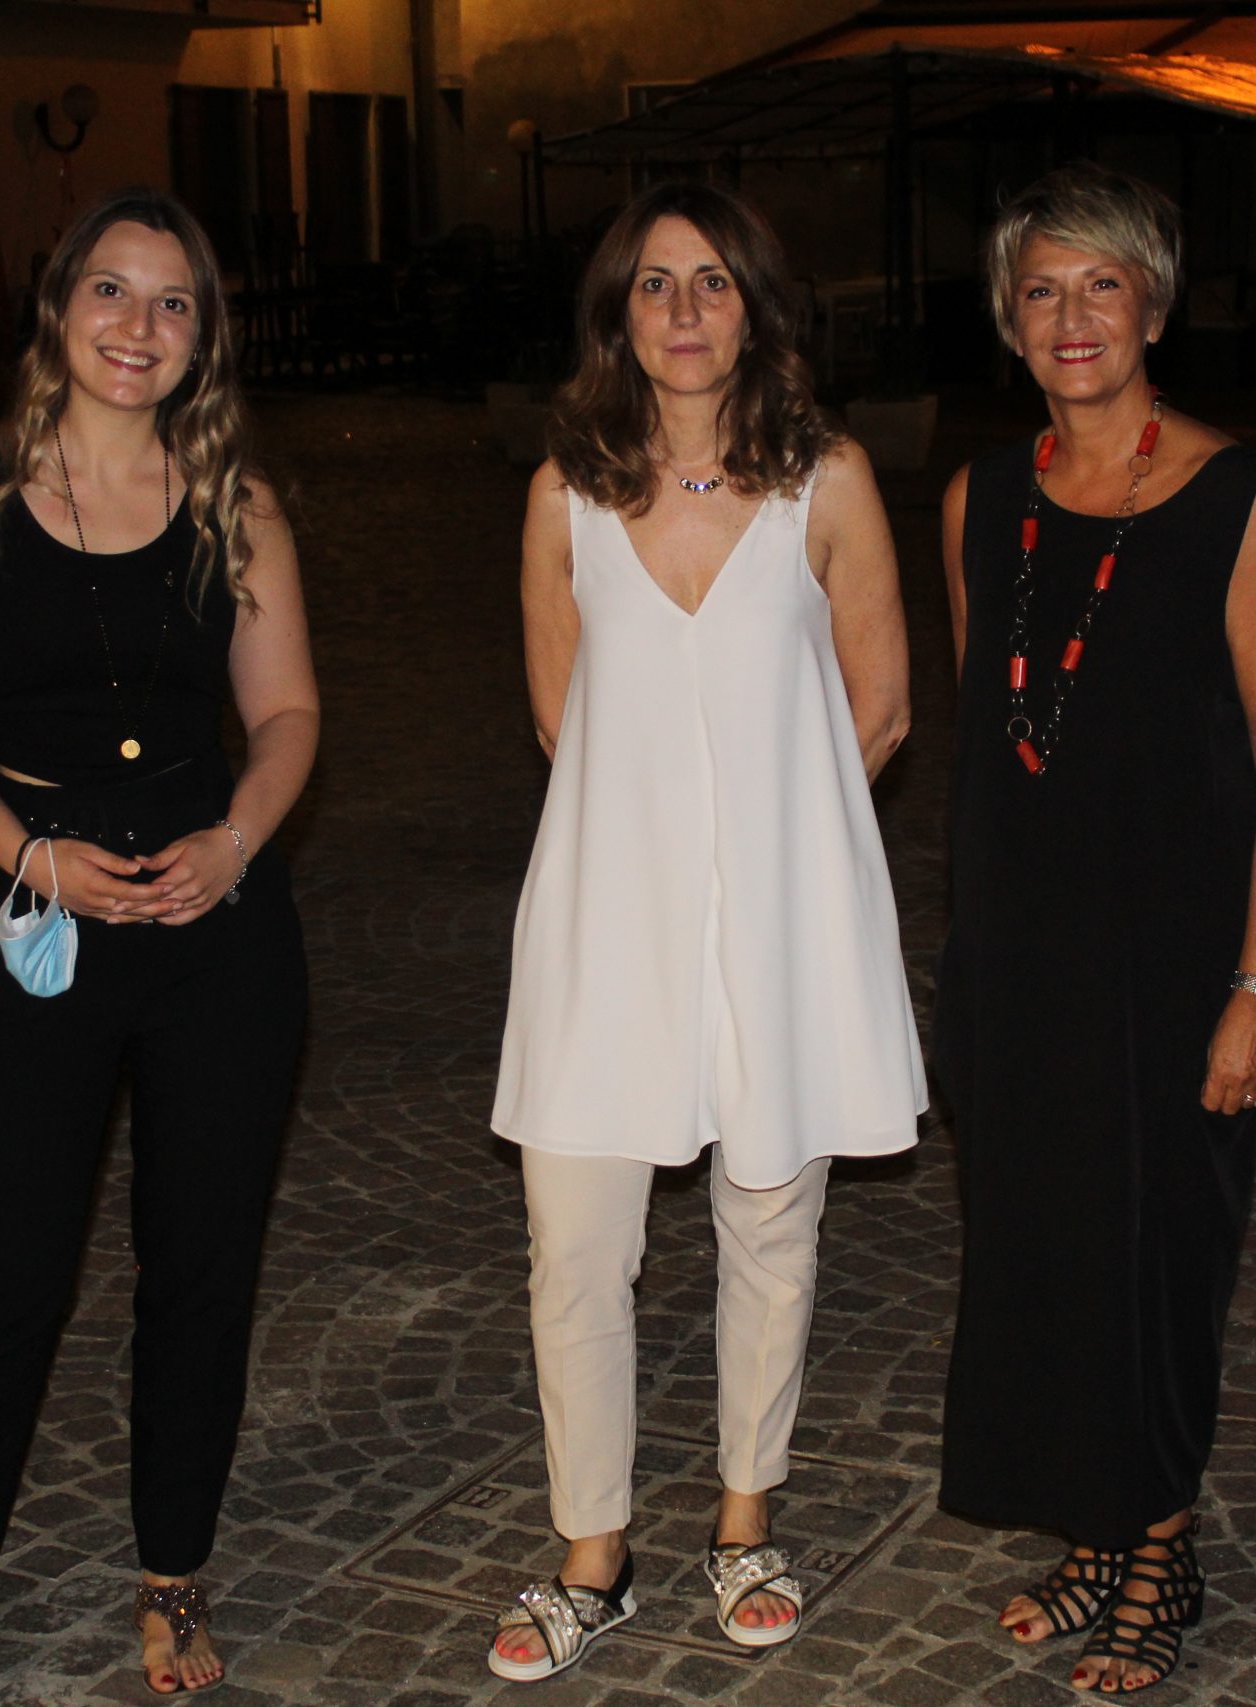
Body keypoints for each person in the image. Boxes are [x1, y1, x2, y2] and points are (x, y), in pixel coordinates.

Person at [0, 187, 317, 1706]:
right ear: (58, 309)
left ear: (203, 336)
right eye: (112, 291)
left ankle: (173, 1575)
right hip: (36, 912)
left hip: (212, 927)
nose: (138, 327)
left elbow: (288, 711)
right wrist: (30, 855)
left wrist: (234, 841)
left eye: (173, 303)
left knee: (200, 1268)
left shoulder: (235, 501)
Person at [484, 181, 926, 1681]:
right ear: (619, 313)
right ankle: (592, 1554)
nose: (684, 310)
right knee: (575, 1243)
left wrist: (777, 846)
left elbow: (880, 706)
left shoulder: (829, 480)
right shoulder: (563, 493)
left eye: (713, 282)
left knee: (771, 1229)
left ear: (757, 308)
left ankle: (745, 1522)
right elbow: (562, 716)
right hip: (609, 915)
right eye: (656, 283)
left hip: (782, 920)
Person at [934, 162, 1256, 1695]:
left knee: (1158, 1262)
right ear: (1008, 319)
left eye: (1103, 283)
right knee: (1044, 1257)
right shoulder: (980, 500)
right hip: (1021, 963)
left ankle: (1162, 1549)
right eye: (1041, 289)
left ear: (1154, 305)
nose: (1072, 315)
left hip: (1174, 965)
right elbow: (996, 739)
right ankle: (1100, 1527)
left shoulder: (1237, 499)